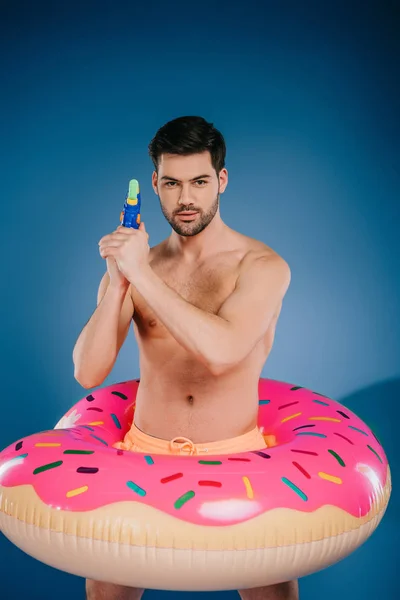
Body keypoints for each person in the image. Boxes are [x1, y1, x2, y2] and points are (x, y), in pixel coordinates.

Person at [73, 116, 297, 600]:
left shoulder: (263, 267)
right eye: (171, 184)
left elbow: (222, 353)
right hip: (141, 453)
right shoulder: (137, 268)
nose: (185, 198)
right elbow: (87, 371)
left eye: (199, 181)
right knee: (104, 589)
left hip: (238, 456)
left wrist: (143, 275)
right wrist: (118, 283)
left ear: (222, 180)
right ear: (154, 184)